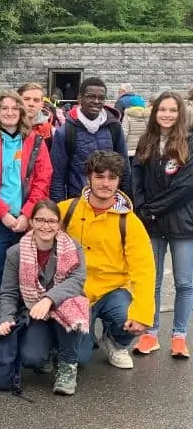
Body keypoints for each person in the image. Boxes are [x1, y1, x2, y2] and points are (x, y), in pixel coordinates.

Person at [60, 151, 154, 369]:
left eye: (112, 178)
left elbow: (144, 270)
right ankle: (86, 334)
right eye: (99, 176)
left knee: (129, 315)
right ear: (88, 178)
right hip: (76, 292)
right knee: (81, 358)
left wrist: (142, 315)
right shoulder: (67, 210)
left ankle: (115, 343)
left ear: (119, 181)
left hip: (114, 291)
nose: (105, 183)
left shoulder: (130, 222)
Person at [0, 91, 52, 334]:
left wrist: (27, 214)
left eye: (15, 108)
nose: (10, 112)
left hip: (26, 223)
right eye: (4, 108)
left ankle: (21, 336)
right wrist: (3, 213)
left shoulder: (35, 142)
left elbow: (42, 181)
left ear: (22, 112)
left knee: (27, 282)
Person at [0, 200, 88, 395]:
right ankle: (49, 350)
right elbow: (9, 291)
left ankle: (67, 367)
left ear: (59, 224)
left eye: (51, 221)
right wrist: (5, 318)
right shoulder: (16, 252)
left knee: (83, 355)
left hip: (65, 308)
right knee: (32, 358)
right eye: (40, 220)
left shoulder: (73, 248)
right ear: (31, 222)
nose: (46, 226)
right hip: (34, 312)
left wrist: (48, 299)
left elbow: (77, 280)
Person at [132, 92, 193, 358]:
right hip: (151, 224)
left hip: (183, 223)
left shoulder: (190, 142)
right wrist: (142, 209)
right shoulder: (147, 141)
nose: (167, 115)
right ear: (154, 112)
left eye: (172, 110)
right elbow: (136, 178)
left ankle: (179, 336)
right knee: (151, 282)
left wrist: (152, 210)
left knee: (184, 282)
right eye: (162, 110)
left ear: (180, 113)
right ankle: (150, 333)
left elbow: (185, 187)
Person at [50, 77, 131, 202]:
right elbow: (57, 175)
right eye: (91, 96)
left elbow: (124, 168)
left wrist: (127, 202)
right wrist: (59, 210)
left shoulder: (114, 127)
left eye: (101, 98)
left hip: (109, 201)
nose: (96, 101)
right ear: (80, 98)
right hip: (78, 202)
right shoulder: (65, 132)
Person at [18, 82, 54, 147]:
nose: (31, 104)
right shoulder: (5, 128)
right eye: (26, 99)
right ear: (18, 101)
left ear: (42, 104)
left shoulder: (52, 133)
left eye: (36, 100)